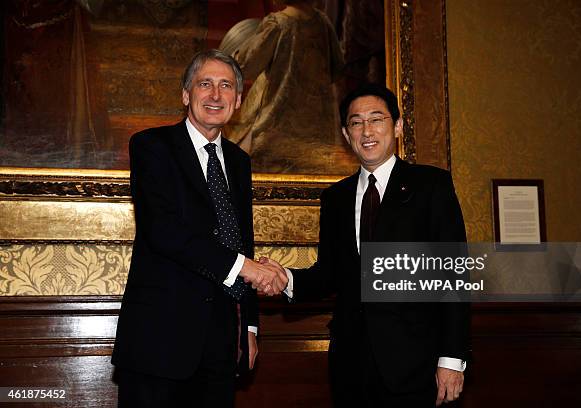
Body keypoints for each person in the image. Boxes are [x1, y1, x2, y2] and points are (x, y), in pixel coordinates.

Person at [263, 83, 470, 406]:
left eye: (377, 119)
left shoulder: (431, 186)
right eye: (356, 122)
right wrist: (285, 279)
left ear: (397, 126)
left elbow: (454, 275)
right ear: (347, 135)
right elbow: (330, 273)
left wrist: (452, 359)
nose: (367, 130)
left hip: (417, 365)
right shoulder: (336, 197)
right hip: (352, 365)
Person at [111, 49, 288, 408]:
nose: (215, 95)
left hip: (221, 346)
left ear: (238, 101)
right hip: (159, 343)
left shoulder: (239, 163)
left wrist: (249, 328)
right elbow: (163, 231)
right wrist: (244, 267)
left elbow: (242, 240)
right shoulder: (151, 146)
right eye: (205, 84)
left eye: (226, 86)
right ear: (186, 94)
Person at [225, 0, 357, 175]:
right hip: (316, 124)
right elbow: (337, 68)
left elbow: (246, 64)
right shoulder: (323, 23)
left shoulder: (279, 24)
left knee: (239, 160)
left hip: (276, 120)